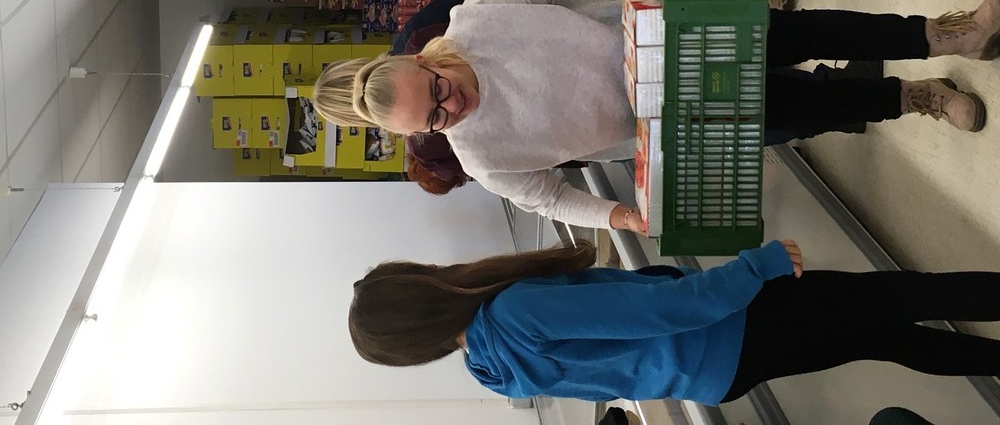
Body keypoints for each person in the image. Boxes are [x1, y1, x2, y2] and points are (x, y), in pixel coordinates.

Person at [315, 0, 998, 231]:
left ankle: (951, 33)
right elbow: (549, 198)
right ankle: (918, 98)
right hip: (681, 123)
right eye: (437, 118)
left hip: (683, 34)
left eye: (438, 88)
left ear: (424, 58)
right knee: (809, 110)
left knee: (812, 33)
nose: (452, 106)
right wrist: (620, 217)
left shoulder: (475, 22)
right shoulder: (482, 158)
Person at [349, 240, 1000, 405]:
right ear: (421, 285)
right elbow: (659, 312)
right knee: (905, 297)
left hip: (717, 377)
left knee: (883, 339)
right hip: (734, 326)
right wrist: (756, 267)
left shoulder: (493, 373)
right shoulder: (512, 315)